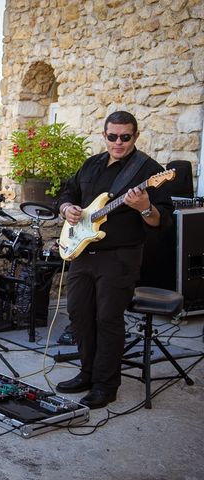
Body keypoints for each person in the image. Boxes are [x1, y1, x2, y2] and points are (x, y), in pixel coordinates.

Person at [56, 111, 173, 409]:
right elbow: (67, 191)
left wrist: (145, 207)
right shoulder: (92, 163)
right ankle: (87, 372)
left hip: (120, 256)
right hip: (83, 251)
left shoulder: (149, 170)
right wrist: (66, 207)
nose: (118, 143)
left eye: (125, 137)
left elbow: (161, 223)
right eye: (112, 137)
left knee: (107, 319)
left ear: (135, 136)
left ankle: (106, 385)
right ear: (104, 135)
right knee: (79, 315)